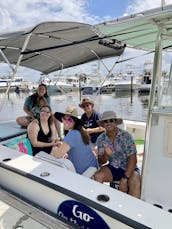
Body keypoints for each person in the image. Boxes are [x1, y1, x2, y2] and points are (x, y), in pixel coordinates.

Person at [94, 110, 141, 198]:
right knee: (98, 176)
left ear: (115, 122)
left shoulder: (126, 136)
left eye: (111, 120)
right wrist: (106, 155)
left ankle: (132, 209)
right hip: (113, 167)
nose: (108, 123)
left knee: (135, 181)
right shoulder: (101, 139)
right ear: (103, 124)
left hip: (129, 168)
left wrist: (124, 179)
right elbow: (101, 161)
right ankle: (102, 204)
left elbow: (133, 159)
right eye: (105, 121)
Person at [52, 106, 99, 175]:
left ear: (75, 122)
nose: (66, 122)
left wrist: (54, 149)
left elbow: (56, 156)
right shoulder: (80, 132)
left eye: (70, 120)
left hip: (84, 173)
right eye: (64, 119)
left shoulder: (72, 134)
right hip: (93, 167)